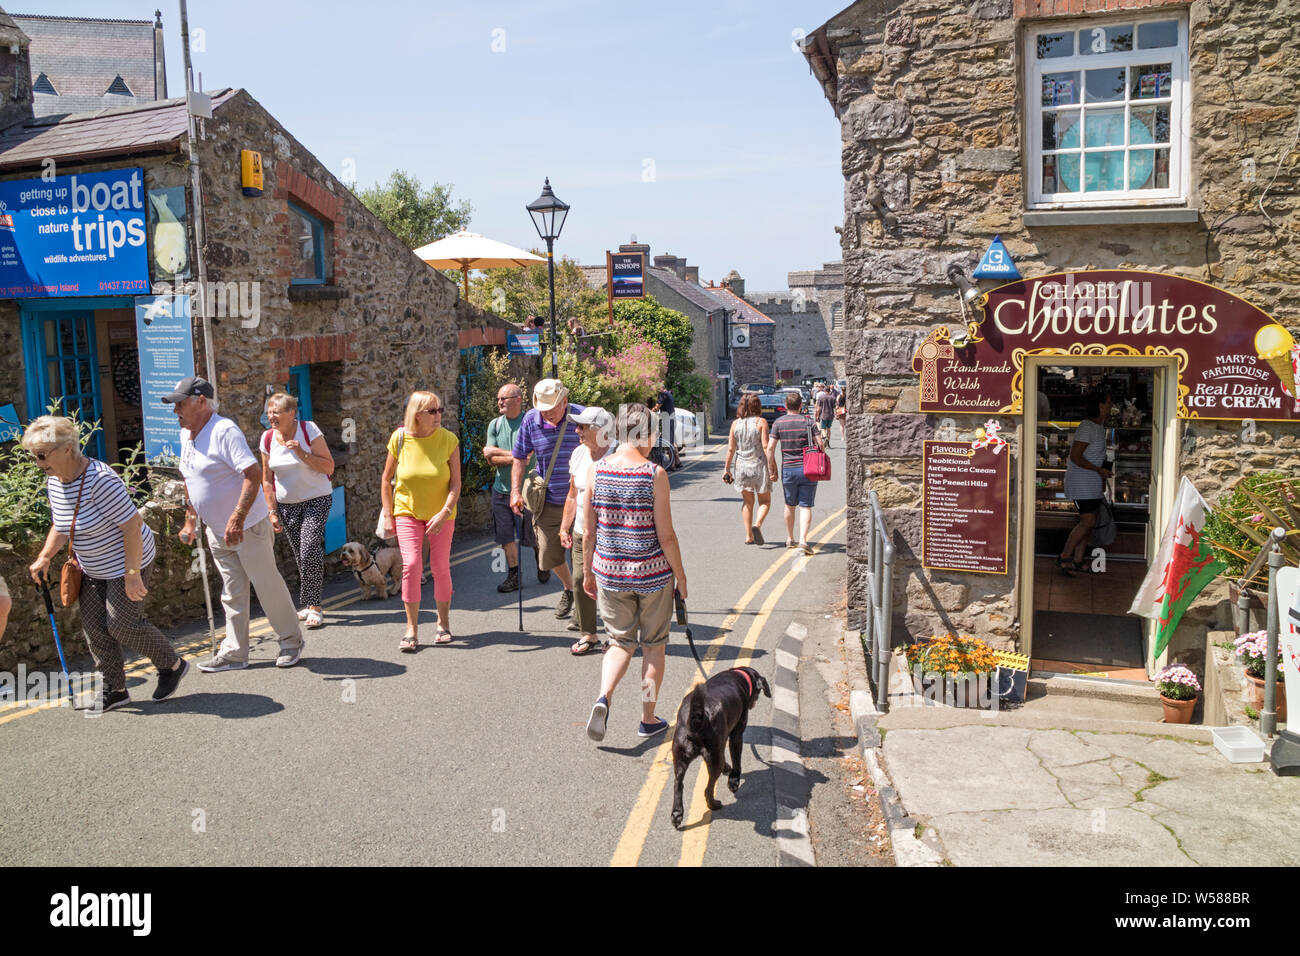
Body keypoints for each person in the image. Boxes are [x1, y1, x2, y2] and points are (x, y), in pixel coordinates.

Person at [23, 415, 187, 710]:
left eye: (42, 455)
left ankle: (171, 664)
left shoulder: (100, 480)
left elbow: (132, 526)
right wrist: (45, 556)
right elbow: (61, 525)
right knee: (95, 628)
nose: (38, 462)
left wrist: (132, 574)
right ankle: (115, 689)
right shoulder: (55, 481)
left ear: (67, 449)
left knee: (122, 625)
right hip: (92, 565)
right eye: (34, 456)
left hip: (128, 559)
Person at [164, 377, 305, 672]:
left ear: (201, 401)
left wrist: (236, 518)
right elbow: (192, 480)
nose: (175, 409)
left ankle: (291, 642)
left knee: (266, 585)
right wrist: (191, 521)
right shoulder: (185, 434)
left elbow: (252, 474)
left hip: (247, 526)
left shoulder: (224, 431)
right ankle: (235, 653)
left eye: (180, 403)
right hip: (216, 530)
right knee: (231, 591)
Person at [582, 403, 687, 741]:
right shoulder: (654, 474)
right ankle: (648, 717)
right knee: (654, 646)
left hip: (610, 573)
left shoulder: (596, 470)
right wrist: (681, 577)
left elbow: (589, 532)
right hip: (652, 575)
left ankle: (604, 697)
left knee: (619, 643)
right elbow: (666, 536)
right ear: (647, 435)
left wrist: (587, 573)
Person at [381, 390, 461, 650]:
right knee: (412, 564)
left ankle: (443, 622)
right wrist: (388, 513)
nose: (439, 415)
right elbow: (386, 479)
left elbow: (456, 484)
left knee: (439, 567)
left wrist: (445, 512)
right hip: (407, 511)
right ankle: (411, 629)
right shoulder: (400, 438)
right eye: (432, 411)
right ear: (417, 415)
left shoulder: (449, 440)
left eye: (440, 410)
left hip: (442, 513)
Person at [510, 379, 585, 620]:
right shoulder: (531, 420)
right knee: (548, 556)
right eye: (544, 409)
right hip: (549, 500)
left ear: (565, 401)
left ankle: (584, 608)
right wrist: (515, 491)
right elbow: (520, 457)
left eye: (553, 408)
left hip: (583, 501)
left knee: (582, 559)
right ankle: (569, 589)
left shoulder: (583, 417)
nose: (548, 413)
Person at [260, 392, 335, 629]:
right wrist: (271, 511)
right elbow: (267, 479)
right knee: (301, 553)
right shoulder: (267, 438)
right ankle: (309, 602)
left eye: (277, 412)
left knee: (310, 545)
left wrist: (301, 453)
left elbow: (328, 465)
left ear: (292, 414)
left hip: (317, 498)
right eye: (269, 412)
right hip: (286, 504)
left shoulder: (308, 430)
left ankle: (314, 606)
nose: (272, 416)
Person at [560, 405, 615, 656]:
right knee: (581, 579)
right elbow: (572, 494)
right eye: (577, 426)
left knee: (612, 584)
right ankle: (588, 633)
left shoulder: (618, 455)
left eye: (583, 426)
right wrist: (565, 526)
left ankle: (616, 636)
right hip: (583, 530)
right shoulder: (579, 454)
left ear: (600, 430)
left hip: (612, 532)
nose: (577, 430)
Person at [483, 383, 540, 593]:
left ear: (518, 399)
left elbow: (530, 455)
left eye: (503, 398)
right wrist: (516, 455)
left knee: (533, 536)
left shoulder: (531, 422)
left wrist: (502, 454)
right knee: (505, 536)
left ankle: (541, 562)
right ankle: (514, 575)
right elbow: (489, 457)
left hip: (528, 489)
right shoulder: (495, 425)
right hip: (501, 489)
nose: (499, 402)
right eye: (498, 398)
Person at [766, 389, 827, 555]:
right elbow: (820, 444)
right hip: (808, 468)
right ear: (801, 405)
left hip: (788, 469)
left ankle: (789, 538)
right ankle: (803, 540)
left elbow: (770, 448)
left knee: (789, 504)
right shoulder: (809, 422)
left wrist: (771, 467)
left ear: (785, 405)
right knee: (806, 506)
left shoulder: (778, 423)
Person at [1059, 391, 1113, 575]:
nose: (1110, 407)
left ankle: (1078, 559)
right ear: (1098, 406)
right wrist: (1099, 471)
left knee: (1089, 523)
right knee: (1087, 522)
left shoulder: (1099, 427)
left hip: (1092, 484)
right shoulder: (1087, 427)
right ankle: (1065, 556)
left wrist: (1101, 475)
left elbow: (1095, 456)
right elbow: (1075, 457)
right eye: (1107, 403)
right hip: (1081, 483)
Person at [723, 393, 772, 545]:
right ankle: (757, 524)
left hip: (742, 467)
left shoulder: (735, 424)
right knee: (764, 501)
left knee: (747, 502)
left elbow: (731, 449)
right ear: (758, 406)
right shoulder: (761, 422)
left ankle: (748, 535)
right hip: (759, 465)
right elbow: (765, 447)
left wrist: (726, 469)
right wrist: (772, 467)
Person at [650, 385, 677, 461]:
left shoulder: (662, 394)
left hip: (667, 419)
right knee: (672, 441)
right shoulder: (668, 393)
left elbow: (658, 406)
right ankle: (677, 461)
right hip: (672, 419)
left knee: (669, 442)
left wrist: (650, 411)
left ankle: (673, 464)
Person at [814, 382, 836, 449]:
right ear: (829, 391)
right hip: (831, 415)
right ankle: (828, 441)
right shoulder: (832, 398)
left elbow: (819, 407)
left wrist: (817, 415)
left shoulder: (821, 397)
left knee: (823, 428)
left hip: (823, 415)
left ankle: (825, 437)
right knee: (829, 428)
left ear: (824, 390)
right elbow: (833, 407)